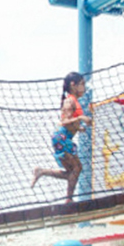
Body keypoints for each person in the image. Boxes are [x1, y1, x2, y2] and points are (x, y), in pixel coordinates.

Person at [32, 72, 89, 202]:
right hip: (61, 137)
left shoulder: (74, 101)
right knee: (77, 168)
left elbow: (69, 122)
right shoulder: (69, 101)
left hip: (62, 136)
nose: (84, 88)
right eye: (82, 84)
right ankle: (69, 199)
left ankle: (42, 171)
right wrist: (81, 118)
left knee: (72, 173)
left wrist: (78, 128)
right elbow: (64, 122)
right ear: (73, 85)